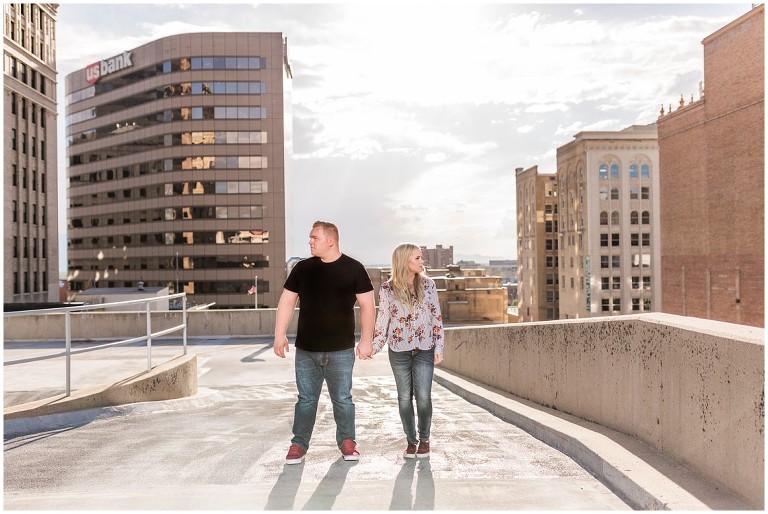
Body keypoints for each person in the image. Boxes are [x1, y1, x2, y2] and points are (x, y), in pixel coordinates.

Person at [274, 221, 375, 464]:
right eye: (310, 237)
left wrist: (367, 340)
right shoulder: (302, 268)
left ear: (331, 240)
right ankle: (298, 445)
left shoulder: (354, 268)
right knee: (306, 400)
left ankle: (348, 442)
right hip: (307, 350)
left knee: (342, 399)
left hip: (341, 350)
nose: (310, 241)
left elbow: (368, 306)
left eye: (314, 238)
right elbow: (287, 301)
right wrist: (279, 334)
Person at [372, 243, 444, 459]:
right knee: (404, 397)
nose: (422, 262)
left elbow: (436, 318)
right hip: (399, 349)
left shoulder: (429, 285)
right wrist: (374, 347)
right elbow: (383, 320)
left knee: (423, 396)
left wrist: (439, 346)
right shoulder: (387, 289)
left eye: (421, 258)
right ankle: (411, 441)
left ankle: (424, 439)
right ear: (405, 261)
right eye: (417, 258)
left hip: (425, 348)